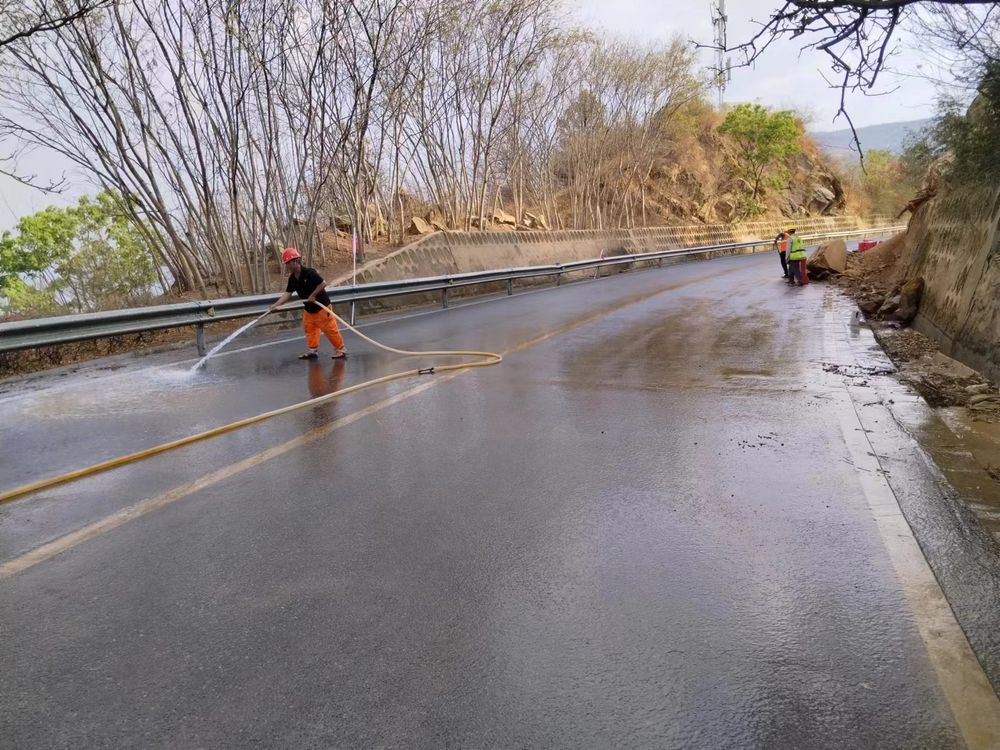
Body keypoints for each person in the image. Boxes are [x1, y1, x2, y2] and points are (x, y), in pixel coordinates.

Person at [269, 247, 347, 359]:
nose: (287, 266)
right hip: (309, 309)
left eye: (288, 263)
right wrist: (276, 305)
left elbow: (323, 283)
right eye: (286, 264)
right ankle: (312, 351)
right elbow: (288, 293)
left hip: (322, 308)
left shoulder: (309, 273)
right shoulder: (292, 279)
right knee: (309, 329)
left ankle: (341, 349)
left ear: (296, 261)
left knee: (330, 330)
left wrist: (313, 294)